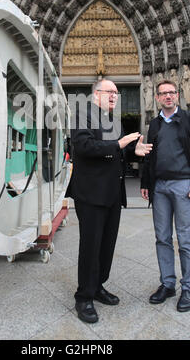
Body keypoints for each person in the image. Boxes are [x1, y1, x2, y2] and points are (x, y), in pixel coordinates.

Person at [66, 78, 153, 323]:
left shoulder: (113, 120)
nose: (115, 96)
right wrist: (118, 144)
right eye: (110, 92)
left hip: (113, 193)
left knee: (107, 246)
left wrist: (131, 150)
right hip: (91, 194)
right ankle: (83, 297)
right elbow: (83, 147)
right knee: (90, 246)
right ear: (96, 94)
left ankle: (97, 286)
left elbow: (118, 150)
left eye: (117, 93)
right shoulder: (82, 115)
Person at [141, 79, 190, 312]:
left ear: (178, 95)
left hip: (183, 185)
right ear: (158, 98)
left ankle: (189, 287)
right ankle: (168, 284)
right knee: (162, 237)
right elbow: (149, 155)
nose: (168, 96)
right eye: (163, 93)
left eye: (172, 92)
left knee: (185, 239)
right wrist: (145, 182)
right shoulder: (154, 124)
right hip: (160, 187)